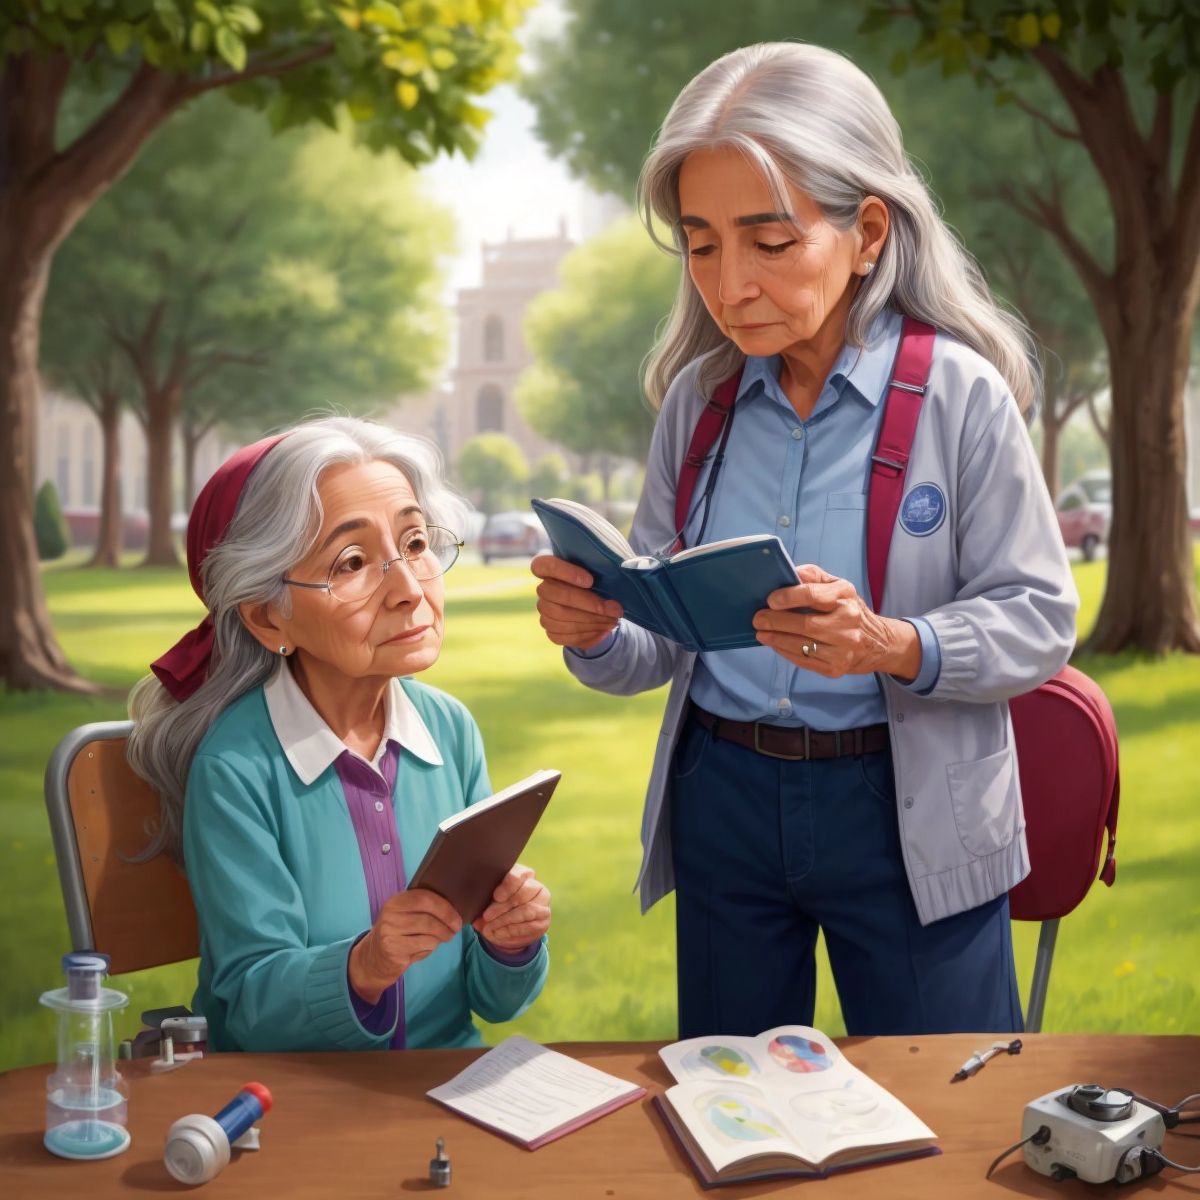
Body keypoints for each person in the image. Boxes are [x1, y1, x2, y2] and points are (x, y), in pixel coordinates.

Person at [532, 43, 1077, 1038]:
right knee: (731, 1111)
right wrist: (598, 628)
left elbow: (1039, 621)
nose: (729, 284)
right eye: (700, 244)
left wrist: (888, 643)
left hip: (904, 803)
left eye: (769, 242)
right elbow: (659, 642)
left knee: (948, 1121)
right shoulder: (697, 406)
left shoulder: (960, 396)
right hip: (725, 797)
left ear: (868, 231)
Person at [127, 417, 550, 1052]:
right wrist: (365, 967)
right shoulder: (238, 766)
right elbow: (251, 1009)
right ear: (270, 617)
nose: (409, 589)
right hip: (292, 1099)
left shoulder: (451, 730)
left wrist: (510, 943)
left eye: (414, 543)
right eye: (352, 561)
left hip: (447, 1085)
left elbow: (491, 1002)